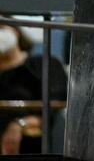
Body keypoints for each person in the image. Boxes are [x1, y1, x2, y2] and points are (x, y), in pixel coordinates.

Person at [0, 25, 67, 155]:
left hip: (32, 147)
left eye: (1, 26)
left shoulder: (44, 64)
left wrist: (20, 124)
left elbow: (55, 107)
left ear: (15, 30)